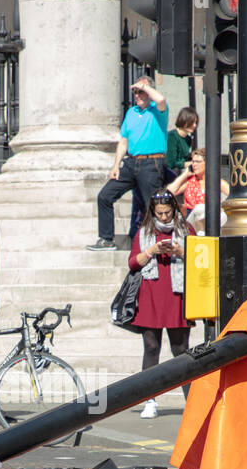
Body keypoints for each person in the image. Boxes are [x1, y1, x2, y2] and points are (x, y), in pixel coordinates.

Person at [130, 190, 193, 419]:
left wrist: (181, 251)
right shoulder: (144, 231)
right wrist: (151, 251)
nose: (164, 217)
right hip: (151, 295)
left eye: (168, 212)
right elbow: (132, 263)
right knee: (151, 347)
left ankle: (192, 401)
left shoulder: (185, 229)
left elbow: (201, 257)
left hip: (177, 295)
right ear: (153, 212)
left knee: (181, 350)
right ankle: (150, 400)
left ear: (174, 210)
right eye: (160, 213)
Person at [87, 77, 167, 251]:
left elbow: (161, 100)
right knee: (105, 196)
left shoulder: (157, 110)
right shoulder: (131, 112)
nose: (137, 95)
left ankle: (158, 242)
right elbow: (123, 141)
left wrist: (145, 86)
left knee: (152, 205)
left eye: (141, 91)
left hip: (151, 163)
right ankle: (106, 239)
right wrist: (115, 165)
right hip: (131, 162)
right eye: (135, 92)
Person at [166, 147, 229, 234]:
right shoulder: (189, 181)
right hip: (192, 219)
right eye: (193, 161)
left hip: (211, 219)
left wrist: (222, 207)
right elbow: (168, 192)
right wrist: (184, 175)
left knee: (223, 215)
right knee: (200, 208)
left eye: (198, 162)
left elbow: (233, 198)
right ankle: (201, 236)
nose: (194, 165)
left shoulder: (217, 182)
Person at [164, 106, 199, 181]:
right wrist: (185, 164)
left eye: (196, 122)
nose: (195, 125)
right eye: (192, 122)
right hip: (169, 173)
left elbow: (184, 158)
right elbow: (170, 162)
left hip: (180, 171)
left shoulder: (188, 139)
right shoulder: (172, 136)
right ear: (184, 121)